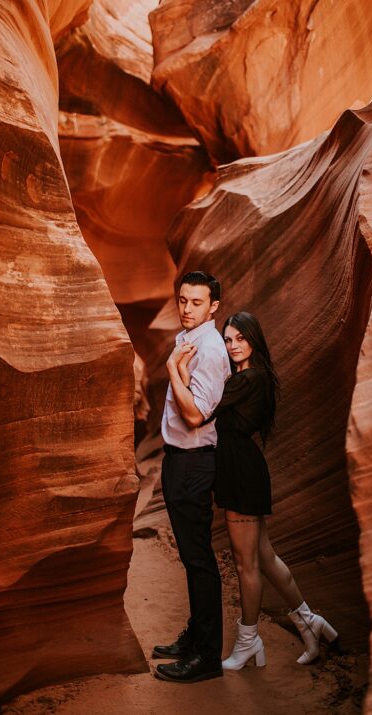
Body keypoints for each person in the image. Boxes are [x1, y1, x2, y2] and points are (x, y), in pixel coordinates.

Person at [178, 311, 336, 670]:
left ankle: (248, 641)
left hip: (242, 476)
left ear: (254, 340)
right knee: (264, 557)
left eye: (240, 339)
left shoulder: (247, 379)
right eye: (228, 340)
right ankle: (309, 622)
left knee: (246, 563)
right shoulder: (254, 377)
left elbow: (202, 409)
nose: (233, 346)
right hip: (243, 471)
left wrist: (181, 371)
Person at [152, 270, 231, 684]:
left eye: (197, 302)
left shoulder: (211, 349)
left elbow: (196, 414)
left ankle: (207, 657)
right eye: (183, 300)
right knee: (191, 556)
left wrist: (170, 368)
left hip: (194, 461)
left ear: (213, 306)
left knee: (199, 559)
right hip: (180, 458)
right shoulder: (190, 340)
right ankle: (196, 638)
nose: (187, 308)